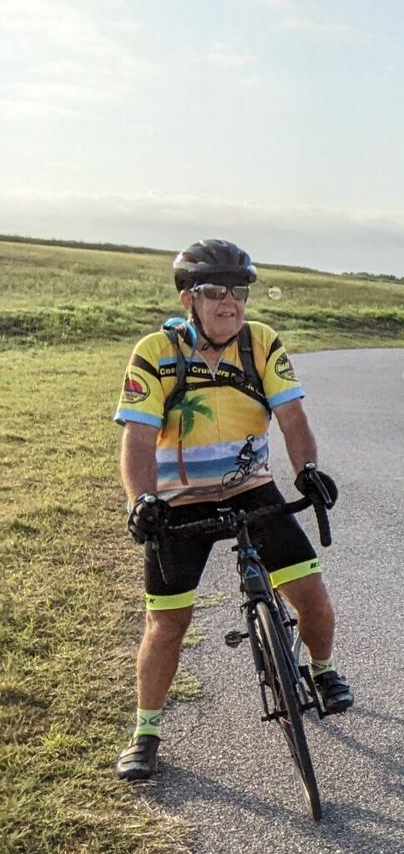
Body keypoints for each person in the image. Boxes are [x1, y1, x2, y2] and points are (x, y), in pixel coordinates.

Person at [113, 239, 349, 781]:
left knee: (312, 596)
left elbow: (292, 417)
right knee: (167, 623)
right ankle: (146, 731)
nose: (230, 302)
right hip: (178, 502)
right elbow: (138, 439)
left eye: (238, 290)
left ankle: (322, 669)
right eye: (215, 291)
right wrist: (141, 501)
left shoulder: (260, 343)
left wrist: (307, 470)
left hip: (251, 490)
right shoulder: (155, 351)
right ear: (188, 299)